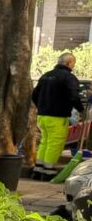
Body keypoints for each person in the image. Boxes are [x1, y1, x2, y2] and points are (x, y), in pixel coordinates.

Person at [31, 51, 83, 180]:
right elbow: (74, 96)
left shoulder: (46, 75)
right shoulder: (69, 78)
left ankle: (38, 169)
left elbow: (34, 94)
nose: (73, 66)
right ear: (69, 63)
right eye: (73, 64)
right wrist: (80, 109)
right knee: (55, 143)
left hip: (42, 116)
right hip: (58, 117)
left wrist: (41, 107)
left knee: (45, 142)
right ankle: (48, 171)